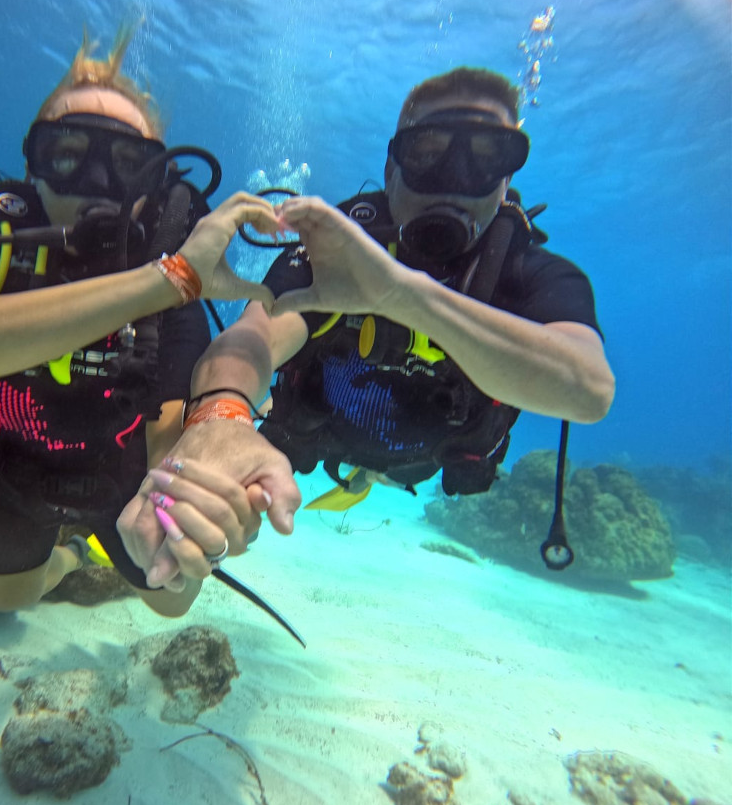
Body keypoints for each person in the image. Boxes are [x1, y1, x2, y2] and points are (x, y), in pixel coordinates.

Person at [118, 66, 616, 597]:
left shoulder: (527, 270)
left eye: (488, 156)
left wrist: (402, 295)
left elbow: (587, 389)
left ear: (507, 180)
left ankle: (367, 480)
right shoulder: (336, 251)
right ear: (391, 166)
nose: (454, 178)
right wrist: (222, 413)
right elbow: (255, 334)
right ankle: (355, 478)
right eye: (428, 151)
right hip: (322, 433)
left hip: (435, 456)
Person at [0, 26, 280, 615]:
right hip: (9, 471)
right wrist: (166, 280)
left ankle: (86, 548)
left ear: (154, 184)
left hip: (117, 474)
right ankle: (70, 558)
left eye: (127, 162)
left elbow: (171, 422)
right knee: (9, 599)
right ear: (34, 164)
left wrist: (182, 501)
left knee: (172, 601)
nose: (97, 182)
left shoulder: (169, 278)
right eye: (69, 154)